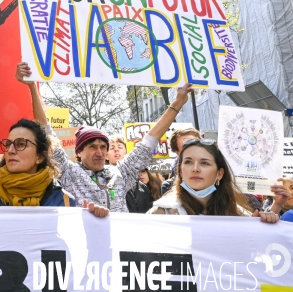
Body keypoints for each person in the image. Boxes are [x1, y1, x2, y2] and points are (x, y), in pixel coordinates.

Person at [16, 62, 191, 216]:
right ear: (79, 151)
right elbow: (46, 131)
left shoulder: (120, 173)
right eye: (92, 147)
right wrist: (32, 87)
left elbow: (149, 141)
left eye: (103, 146)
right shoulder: (68, 173)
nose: (99, 152)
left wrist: (178, 103)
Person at [148, 139, 288, 223]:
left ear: (219, 174)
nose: (195, 169)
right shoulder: (161, 213)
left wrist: (275, 208)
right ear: (180, 171)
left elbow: (255, 243)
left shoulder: (234, 211)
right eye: (188, 162)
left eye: (205, 163)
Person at [161, 127, 202, 195]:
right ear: (177, 152)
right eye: (186, 146)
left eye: (196, 144)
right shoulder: (169, 186)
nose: (193, 149)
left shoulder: (215, 177)